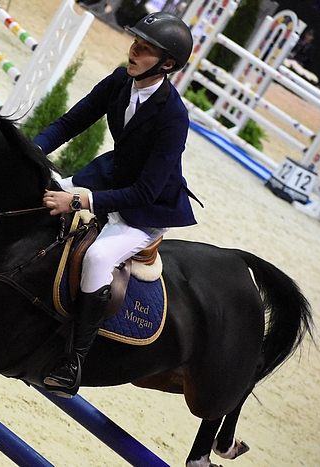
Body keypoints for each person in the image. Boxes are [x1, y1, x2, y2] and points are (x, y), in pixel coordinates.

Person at [34, 12, 200, 397]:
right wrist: (32, 150)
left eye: (145, 48)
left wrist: (80, 199)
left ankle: (74, 359)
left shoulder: (174, 117)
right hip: (110, 176)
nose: (134, 50)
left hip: (147, 208)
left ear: (167, 64)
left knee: (96, 259)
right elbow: (71, 122)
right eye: (135, 42)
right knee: (38, 200)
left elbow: (144, 191)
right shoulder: (120, 80)